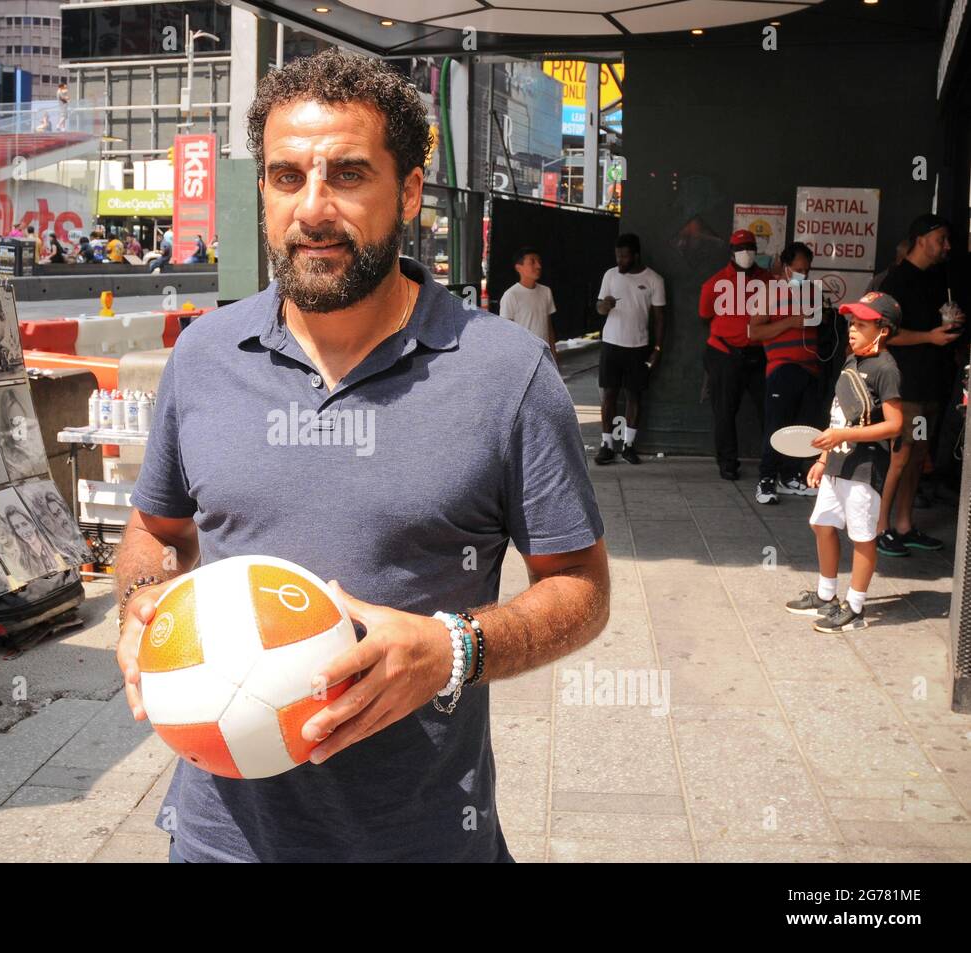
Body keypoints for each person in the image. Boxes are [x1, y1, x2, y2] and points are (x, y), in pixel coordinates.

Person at [114, 48, 608, 864]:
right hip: (220, 839)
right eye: (285, 176)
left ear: (409, 191)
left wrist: (453, 648)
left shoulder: (506, 373)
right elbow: (156, 529)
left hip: (423, 839)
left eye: (347, 174)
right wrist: (142, 603)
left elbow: (581, 589)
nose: (313, 209)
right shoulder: (203, 356)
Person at [785, 292, 904, 632]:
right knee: (821, 525)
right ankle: (826, 596)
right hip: (837, 464)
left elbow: (895, 425)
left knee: (862, 537)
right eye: (852, 323)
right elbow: (839, 416)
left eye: (862, 325)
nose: (852, 330)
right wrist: (824, 457)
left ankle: (854, 607)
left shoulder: (886, 369)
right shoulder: (852, 361)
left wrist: (843, 438)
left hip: (865, 469)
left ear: (883, 330)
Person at [876, 214, 964, 556]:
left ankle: (904, 525)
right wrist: (930, 336)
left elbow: (940, 320)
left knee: (918, 456)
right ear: (921, 238)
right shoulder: (896, 281)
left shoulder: (938, 277)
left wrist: (951, 321)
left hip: (930, 388)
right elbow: (885, 334)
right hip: (905, 388)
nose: (947, 246)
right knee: (899, 457)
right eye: (941, 238)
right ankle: (880, 527)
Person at [747, 242, 822, 504]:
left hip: (810, 367)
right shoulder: (769, 292)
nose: (803, 274)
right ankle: (766, 479)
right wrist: (791, 321)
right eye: (798, 269)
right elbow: (753, 331)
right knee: (777, 426)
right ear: (785, 267)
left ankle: (791, 476)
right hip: (782, 367)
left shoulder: (813, 292)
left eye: (807, 270)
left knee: (803, 427)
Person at [700, 228, 772, 480]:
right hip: (724, 353)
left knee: (769, 410)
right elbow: (705, 314)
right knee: (724, 411)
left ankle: (771, 463)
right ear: (731, 252)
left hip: (759, 354)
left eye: (750, 248)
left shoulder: (768, 280)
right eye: (740, 249)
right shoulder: (716, 282)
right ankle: (727, 462)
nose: (746, 253)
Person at [593, 233, 666, 465]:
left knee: (634, 396)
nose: (620, 261)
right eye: (617, 256)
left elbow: (660, 319)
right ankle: (606, 445)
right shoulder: (610, 275)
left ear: (635, 255)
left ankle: (629, 446)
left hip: (638, 347)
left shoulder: (654, 279)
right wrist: (605, 306)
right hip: (611, 344)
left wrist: (657, 348)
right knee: (609, 395)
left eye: (624, 257)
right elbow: (599, 308)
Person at [499, 246, 558, 371]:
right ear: (519, 267)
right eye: (532, 262)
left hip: (544, 356)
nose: (538, 266)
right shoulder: (511, 295)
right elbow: (506, 332)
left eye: (539, 262)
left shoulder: (546, 291)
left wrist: (553, 354)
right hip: (522, 358)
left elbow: (548, 327)